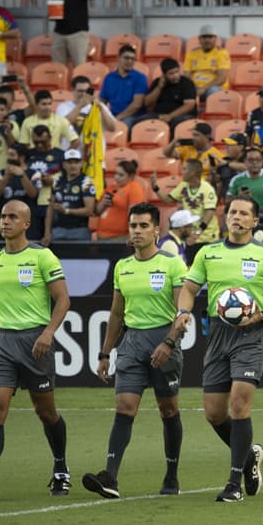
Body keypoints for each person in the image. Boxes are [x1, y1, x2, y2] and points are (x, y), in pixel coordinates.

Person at [174, 196, 263, 502]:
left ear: (254, 222)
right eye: (232, 212)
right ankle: (250, 455)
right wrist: (183, 312)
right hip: (218, 334)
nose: (236, 217)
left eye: (244, 213)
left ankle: (233, 484)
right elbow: (189, 289)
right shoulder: (208, 253)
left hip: (251, 334)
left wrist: (261, 315)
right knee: (214, 414)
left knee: (240, 406)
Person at [0, 200, 71, 501]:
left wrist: (48, 333)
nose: (5, 222)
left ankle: (61, 469)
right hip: (2, 342)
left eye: (12, 217)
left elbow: (63, 300)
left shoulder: (42, 256)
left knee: (45, 412)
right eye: (2, 217)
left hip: (35, 342)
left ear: (26, 224)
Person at [82, 203, 187, 499]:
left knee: (168, 410)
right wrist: (105, 353)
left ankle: (171, 475)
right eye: (133, 226)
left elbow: (182, 311)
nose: (137, 231)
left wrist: (168, 343)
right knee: (125, 406)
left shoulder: (172, 263)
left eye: (143, 226)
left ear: (157, 230)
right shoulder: (123, 267)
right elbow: (116, 314)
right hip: (131, 344)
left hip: (163, 342)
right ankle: (110, 477)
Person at [49, 0, 97, 69]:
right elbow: (55, 7)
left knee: (80, 68)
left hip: (78, 34)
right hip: (59, 33)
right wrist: (51, 14)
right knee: (58, 68)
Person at [44, 149, 95, 244]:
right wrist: (47, 233)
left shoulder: (87, 182)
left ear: (81, 164)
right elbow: (50, 208)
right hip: (58, 230)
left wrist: (66, 211)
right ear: (64, 164)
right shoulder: (57, 181)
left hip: (80, 231)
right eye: (70, 162)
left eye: (76, 162)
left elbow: (89, 210)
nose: (73, 165)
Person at [183, 25, 231, 101]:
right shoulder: (192, 53)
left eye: (210, 37)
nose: (207, 40)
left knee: (213, 91)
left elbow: (222, 78)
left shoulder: (222, 53)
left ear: (215, 39)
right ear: (199, 39)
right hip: (195, 87)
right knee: (182, 91)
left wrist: (204, 88)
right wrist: (193, 88)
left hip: (213, 87)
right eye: (204, 37)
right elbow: (186, 76)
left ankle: (213, 112)